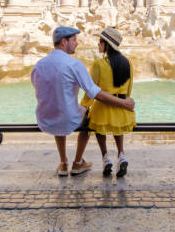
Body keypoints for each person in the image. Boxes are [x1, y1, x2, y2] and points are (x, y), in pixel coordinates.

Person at [31, 26, 135, 177]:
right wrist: (123, 103)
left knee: (63, 108)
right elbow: (94, 93)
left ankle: (63, 162)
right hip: (69, 119)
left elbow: (37, 88)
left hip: (45, 119)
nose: (77, 44)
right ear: (64, 42)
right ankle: (78, 162)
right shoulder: (74, 64)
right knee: (86, 116)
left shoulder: (39, 65)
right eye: (74, 40)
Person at [81, 27, 135, 177]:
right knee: (117, 128)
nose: (98, 45)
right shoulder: (128, 62)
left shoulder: (99, 64)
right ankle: (121, 155)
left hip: (102, 109)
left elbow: (91, 90)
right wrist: (123, 103)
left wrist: (83, 105)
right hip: (122, 109)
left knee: (99, 128)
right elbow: (129, 88)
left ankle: (106, 158)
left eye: (100, 42)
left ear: (107, 44)